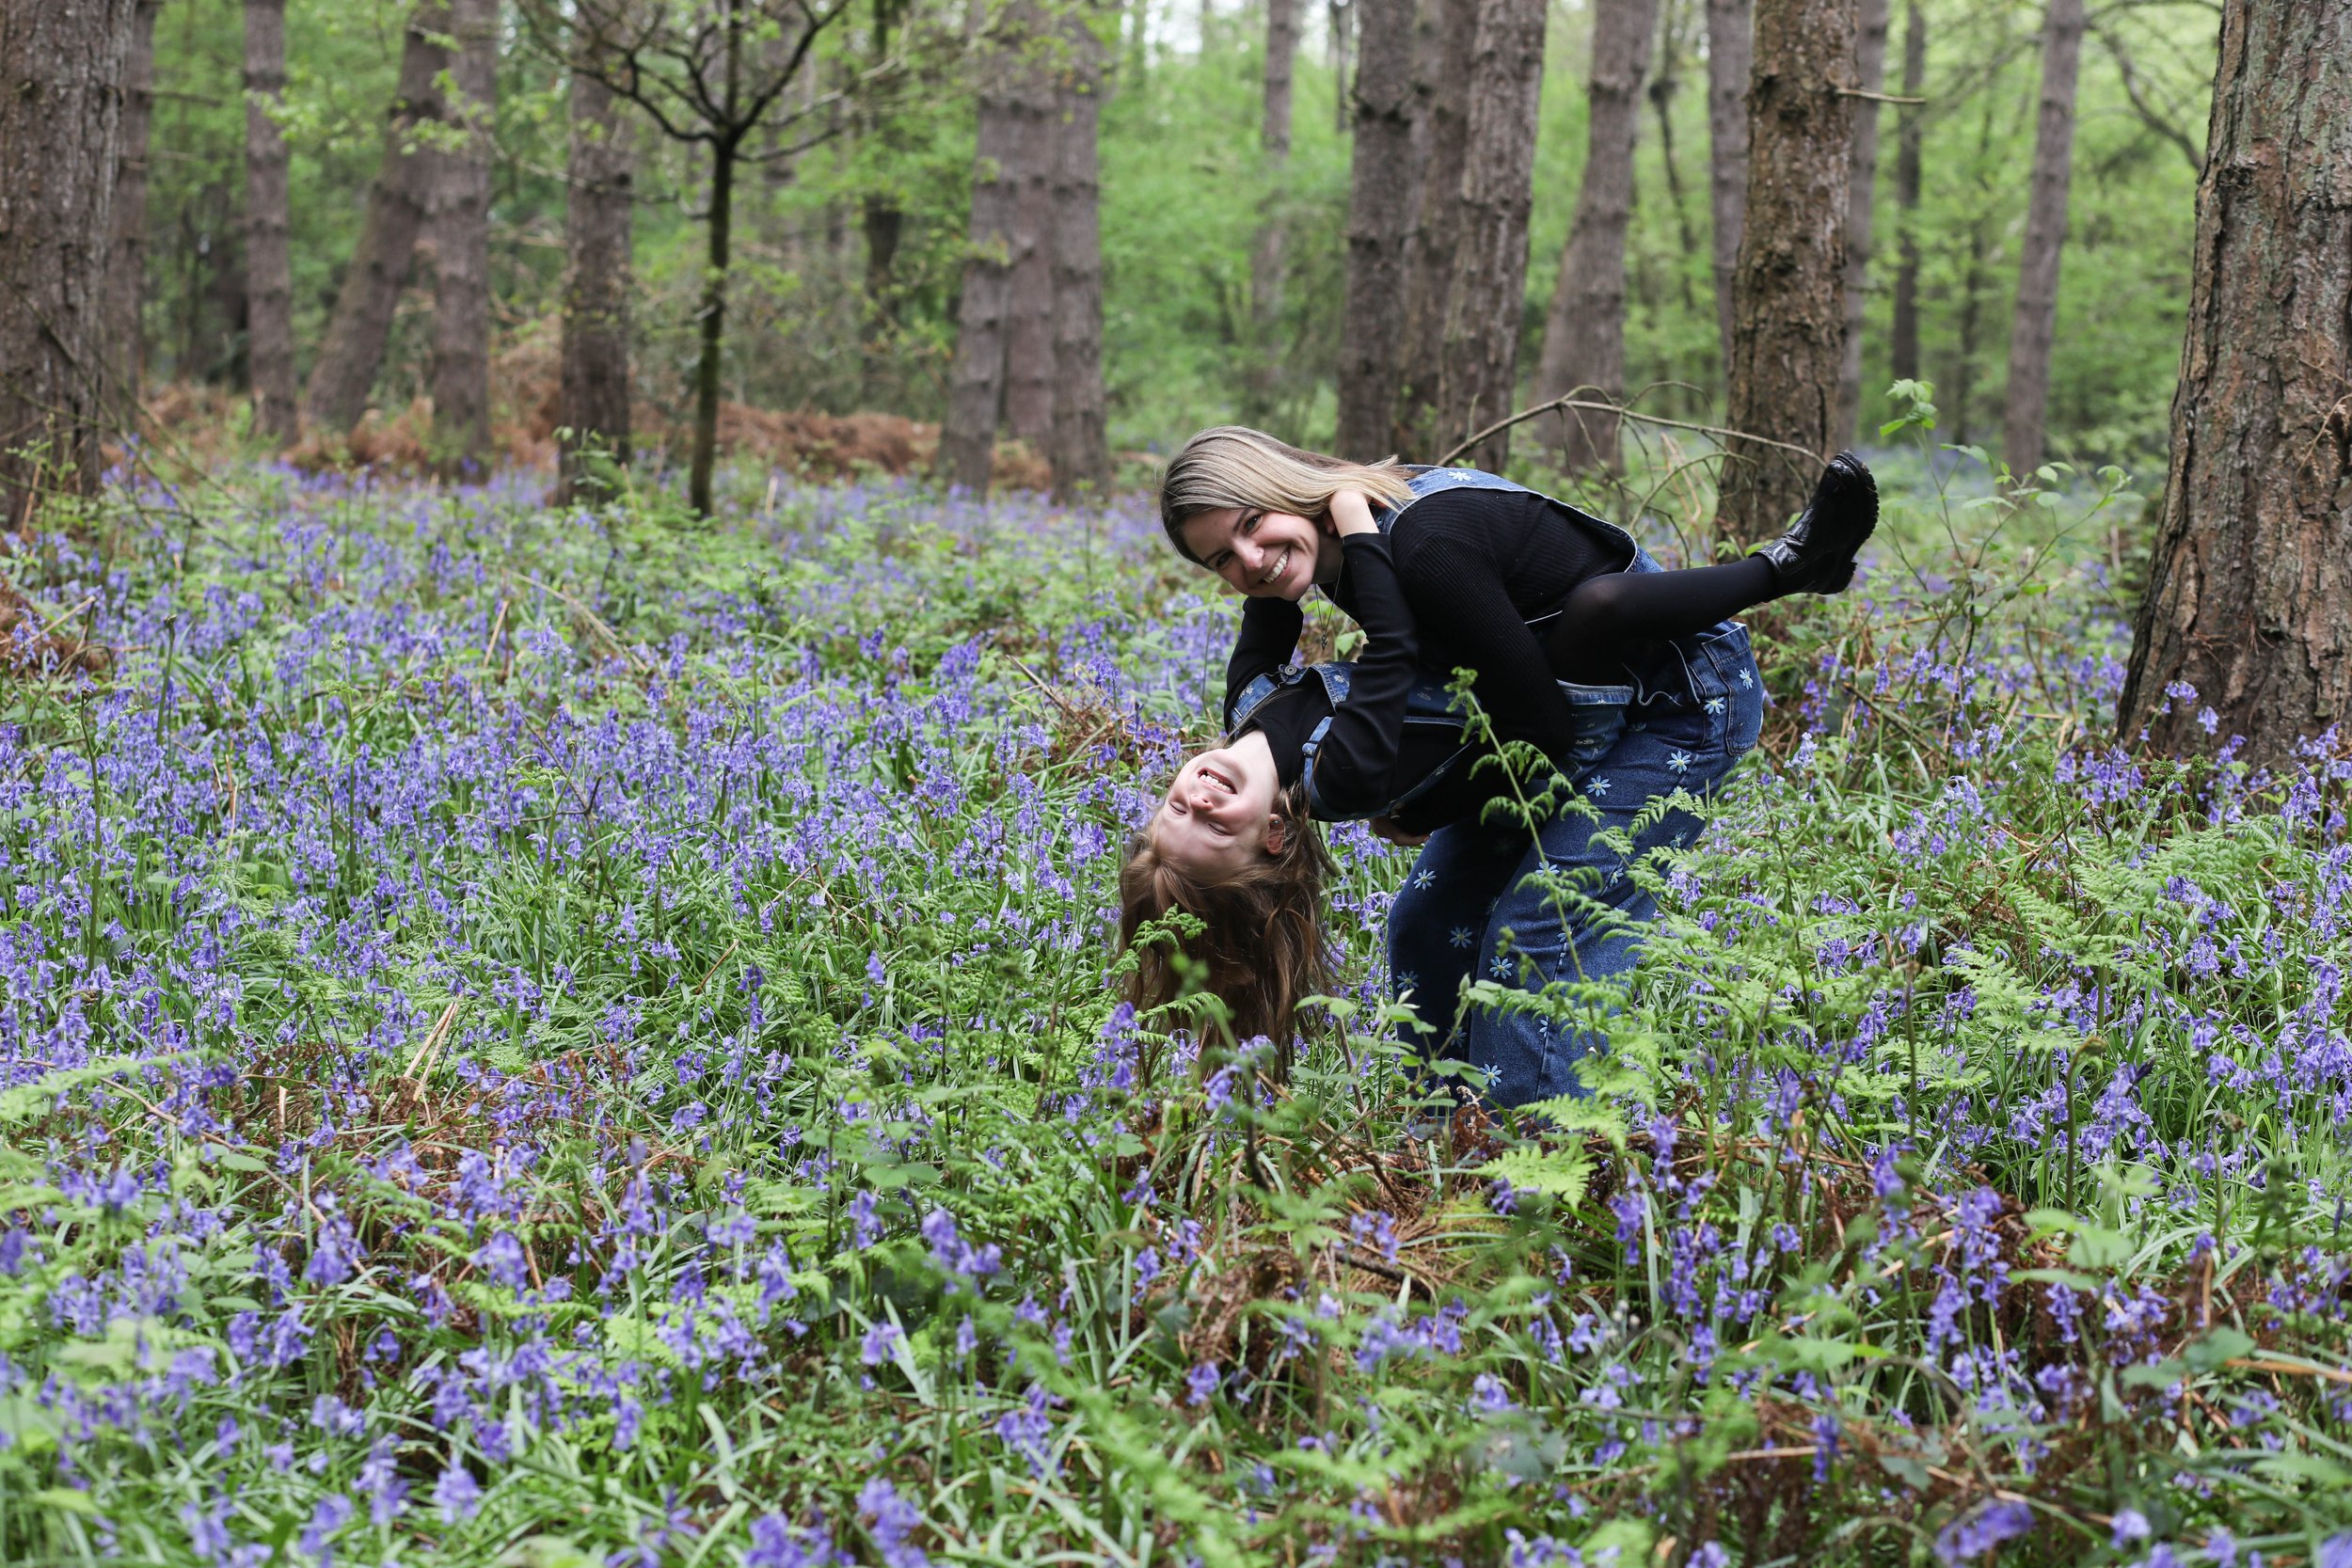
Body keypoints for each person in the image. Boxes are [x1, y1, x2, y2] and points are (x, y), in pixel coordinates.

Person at [1119, 427, 1876, 1103]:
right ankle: (1446, 1128)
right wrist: (1419, 808)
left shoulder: (1410, 553)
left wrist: (1421, 809)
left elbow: (1503, 706)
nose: (1249, 560)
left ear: (1284, 487)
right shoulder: (1346, 568)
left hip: (1673, 701)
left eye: (1252, 523)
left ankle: (1532, 1157)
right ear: (1275, 832)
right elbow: (1478, 705)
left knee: (1538, 925)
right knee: (1424, 921)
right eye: (1223, 559)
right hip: (1536, 720)